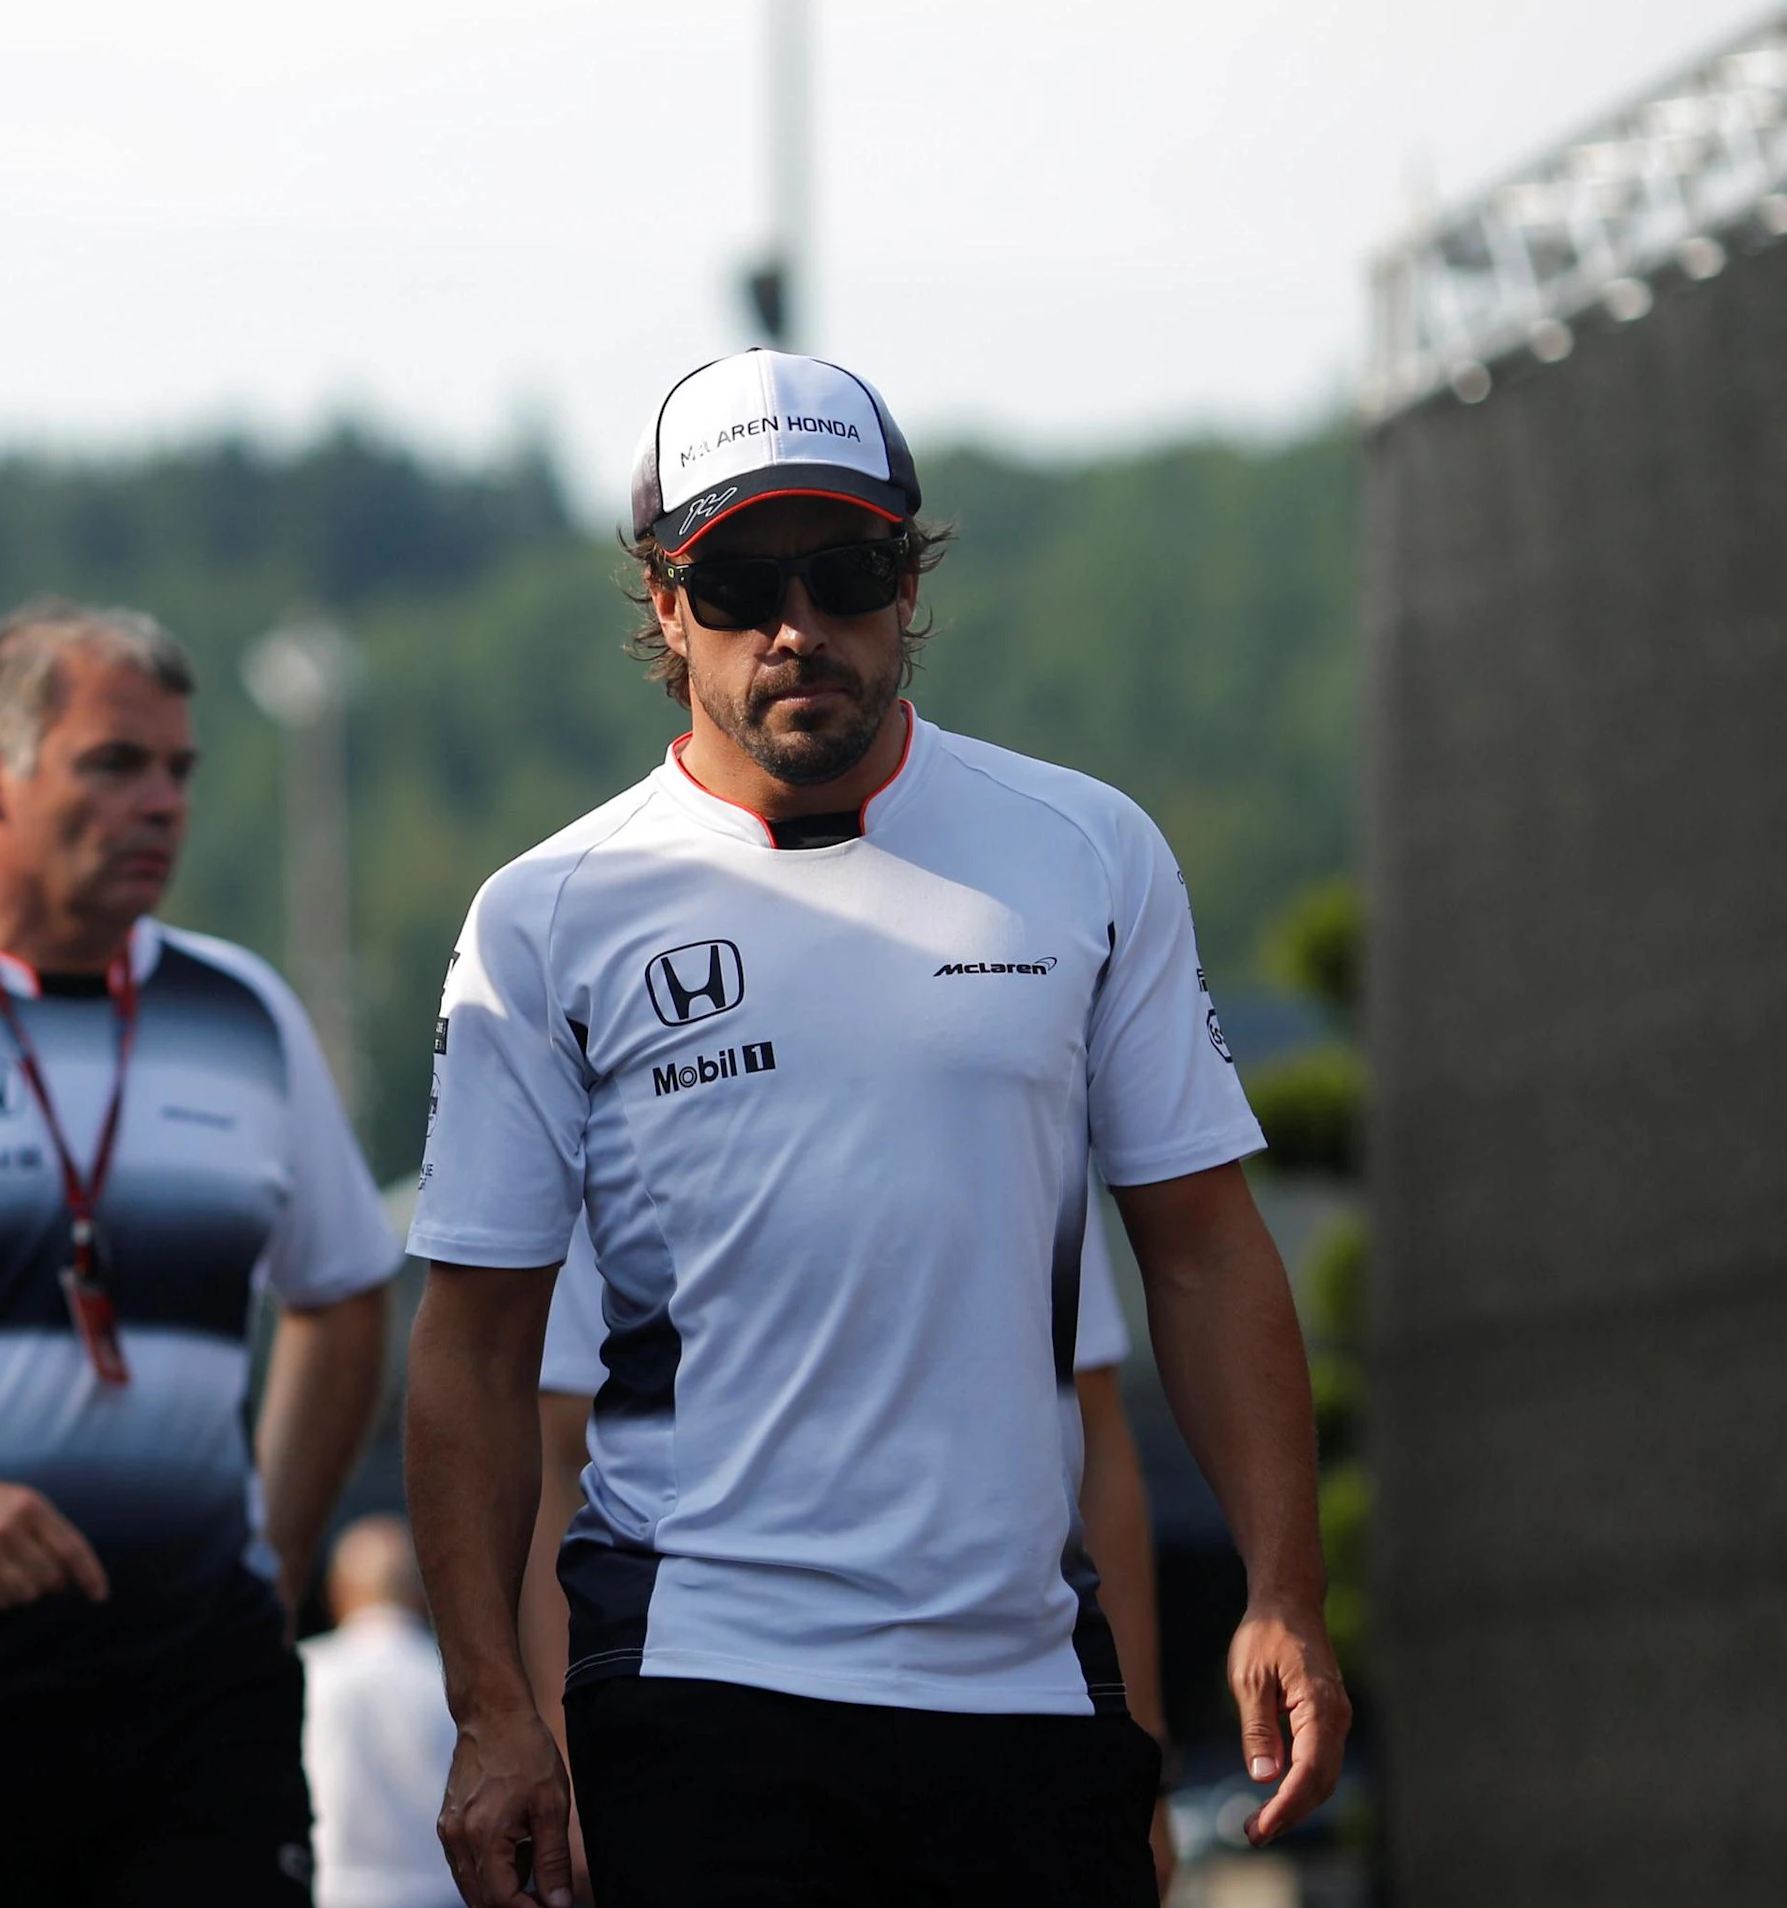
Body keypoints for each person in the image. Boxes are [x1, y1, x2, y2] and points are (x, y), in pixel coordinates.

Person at [403, 348, 1348, 1907]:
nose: (798, 626)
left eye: (844, 571)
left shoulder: (1085, 851)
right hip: (699, 1673)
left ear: (908, 583)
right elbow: (477, 1346)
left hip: (1026, 1680)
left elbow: (1201, 1255)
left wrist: (1283, 1591)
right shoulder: (547, 915)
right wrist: (491, 1708)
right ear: (664, 604)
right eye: (738, 584)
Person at [0, 599, 396, 1907]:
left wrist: (268, 1560)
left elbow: (342, 1292)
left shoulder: (243, 1008)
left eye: (179, 770)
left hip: (199, 1701)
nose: (162, 803)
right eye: (115, 763)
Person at [519, 1191, 1183, 1901]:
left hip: (1011, 1697)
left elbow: (1090, 1427)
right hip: (725, 1693)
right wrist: (564, 1754)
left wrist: (1144, 1751)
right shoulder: (632, 1136)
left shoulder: (1032, 1122)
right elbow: (557, 1451)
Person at [303, 1516, 463, 1908]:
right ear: (421, 1596)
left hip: (332, 1893)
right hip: (440, 1894)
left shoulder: (306, 1672)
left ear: (338, 1592)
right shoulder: (458, 1682)